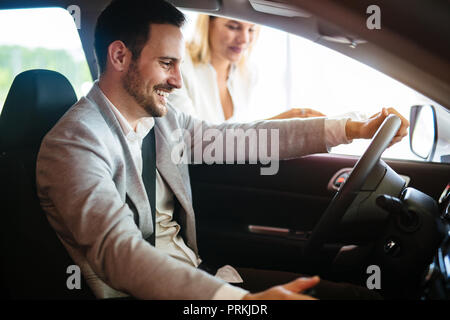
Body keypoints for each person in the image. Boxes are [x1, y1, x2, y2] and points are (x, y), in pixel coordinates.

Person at [36, 0, 409, 300]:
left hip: (198, 275)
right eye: (166, 64)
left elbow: (249, 138)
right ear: (119, 57)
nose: (177, 80)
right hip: (152, 292)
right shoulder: (73, 146)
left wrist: (352, 128)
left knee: (348, 294)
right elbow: (118, 253)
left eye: (179, 65)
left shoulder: (164, 122)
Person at [169, 14, 325, 123]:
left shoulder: (247, 73)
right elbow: (192, 140)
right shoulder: (180, 67)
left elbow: (234, 139)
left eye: (251, 29)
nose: (244, 39)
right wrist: (274, 126)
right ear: (208, 23)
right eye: (233, 27)